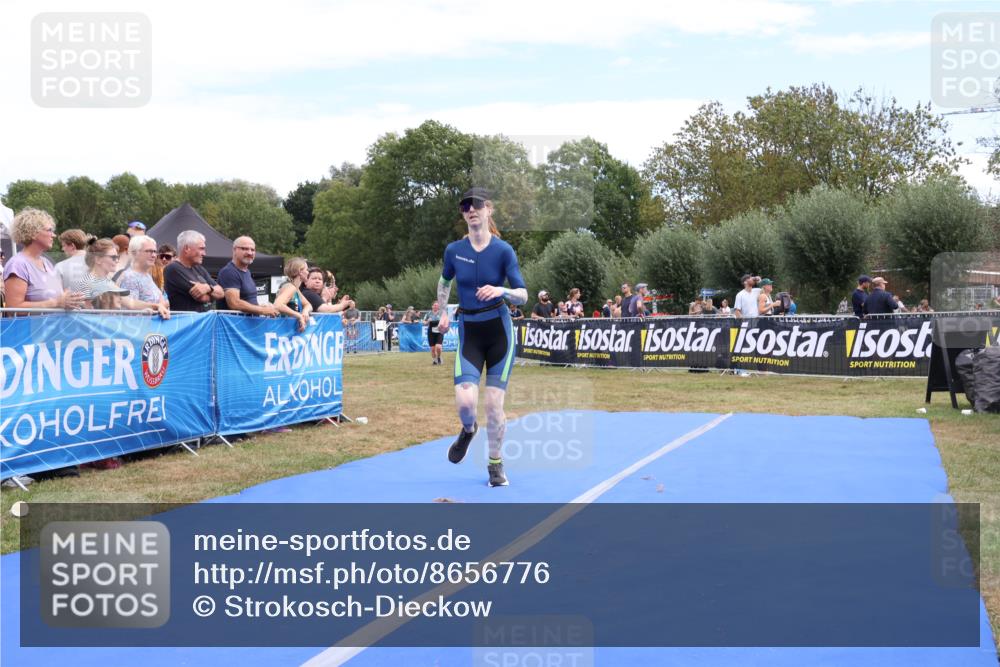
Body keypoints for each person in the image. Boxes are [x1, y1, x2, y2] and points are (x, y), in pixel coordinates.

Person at [436, 187, 527, 488]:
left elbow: (523, 295)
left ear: (488, 209)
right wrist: (444, 313)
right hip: (469, 331)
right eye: (465, 207)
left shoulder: (503, 250)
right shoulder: (453, 251)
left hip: (499, 330)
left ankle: (495, 465)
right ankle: (468, 429)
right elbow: (444, 281)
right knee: (465, 401)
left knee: (493, 405)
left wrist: (500, 290)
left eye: (476, 205)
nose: (470, 210)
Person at [3, 208, 86, 311]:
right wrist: (57, 303)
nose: (54, 235)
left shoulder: (47, 263)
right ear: (32, 233)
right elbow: (13, 308)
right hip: (32, 327)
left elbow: (58, 297)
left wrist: (69, 299)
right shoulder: (17, 264)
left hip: (54, 326)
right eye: (49, 230)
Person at [71, 238, 170, 317]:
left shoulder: (105, 281)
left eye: (117, 257)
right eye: (112, 257)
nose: (116, 260)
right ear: (98, 260)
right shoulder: (90, 282)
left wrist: (156, 306)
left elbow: (131, 303)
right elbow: (83, 316)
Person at [215, 236, 278, 316]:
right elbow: (234, 303)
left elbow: (248, 301)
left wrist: (261, 306)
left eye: (252, 250)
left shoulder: (247, 272)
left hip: (247, 326)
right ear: (234, 250)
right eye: (244, 249)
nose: (250, 253)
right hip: (234, 326)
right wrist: (261, 310)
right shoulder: (229, 272)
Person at [164, 230, 224, 312]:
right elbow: (202, 298)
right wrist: (213, 294)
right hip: (188, 323)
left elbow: (221, 293)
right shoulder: (173, 269)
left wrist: (208, 288)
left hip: (203, 322)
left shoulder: (198, 268)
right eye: (201, 249)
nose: (204, 253)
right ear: (187, 249)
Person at [117, 235, 172, 313]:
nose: (153, 255)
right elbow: (130, 312)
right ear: (135, 253)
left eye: (154, 251)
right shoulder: (130, 277)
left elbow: (161, 301)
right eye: (149, 251)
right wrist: (157, 307)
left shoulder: (146, 275)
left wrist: (162, 305)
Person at [273, 257, 313, 332]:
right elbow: (277, 305)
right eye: (307, 270)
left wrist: (305, 311)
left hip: (287, 332)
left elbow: (308, 305)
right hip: (282, 331)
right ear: (300, 271)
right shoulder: (290, 287)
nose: (308, 272)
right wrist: (299, 316)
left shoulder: (295, 288)